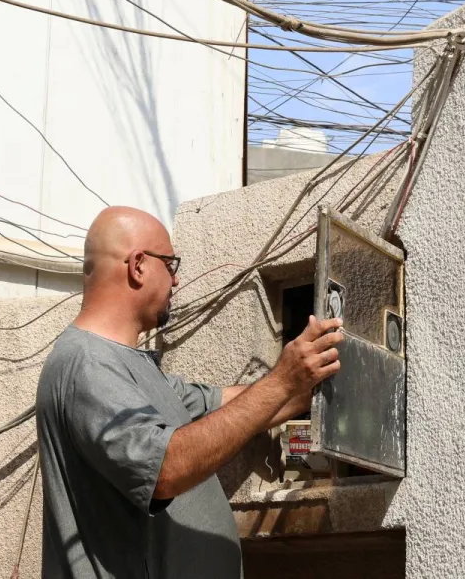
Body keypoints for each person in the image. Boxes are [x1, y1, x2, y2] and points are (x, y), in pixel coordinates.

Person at [36, 205, 342, 579]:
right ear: (138, 266)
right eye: (171, 265)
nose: (176, 282)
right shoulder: (87, 364)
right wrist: (280, 382)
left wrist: (300, 381)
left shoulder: (132, 368)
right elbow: (165, 468)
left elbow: (228, 407)